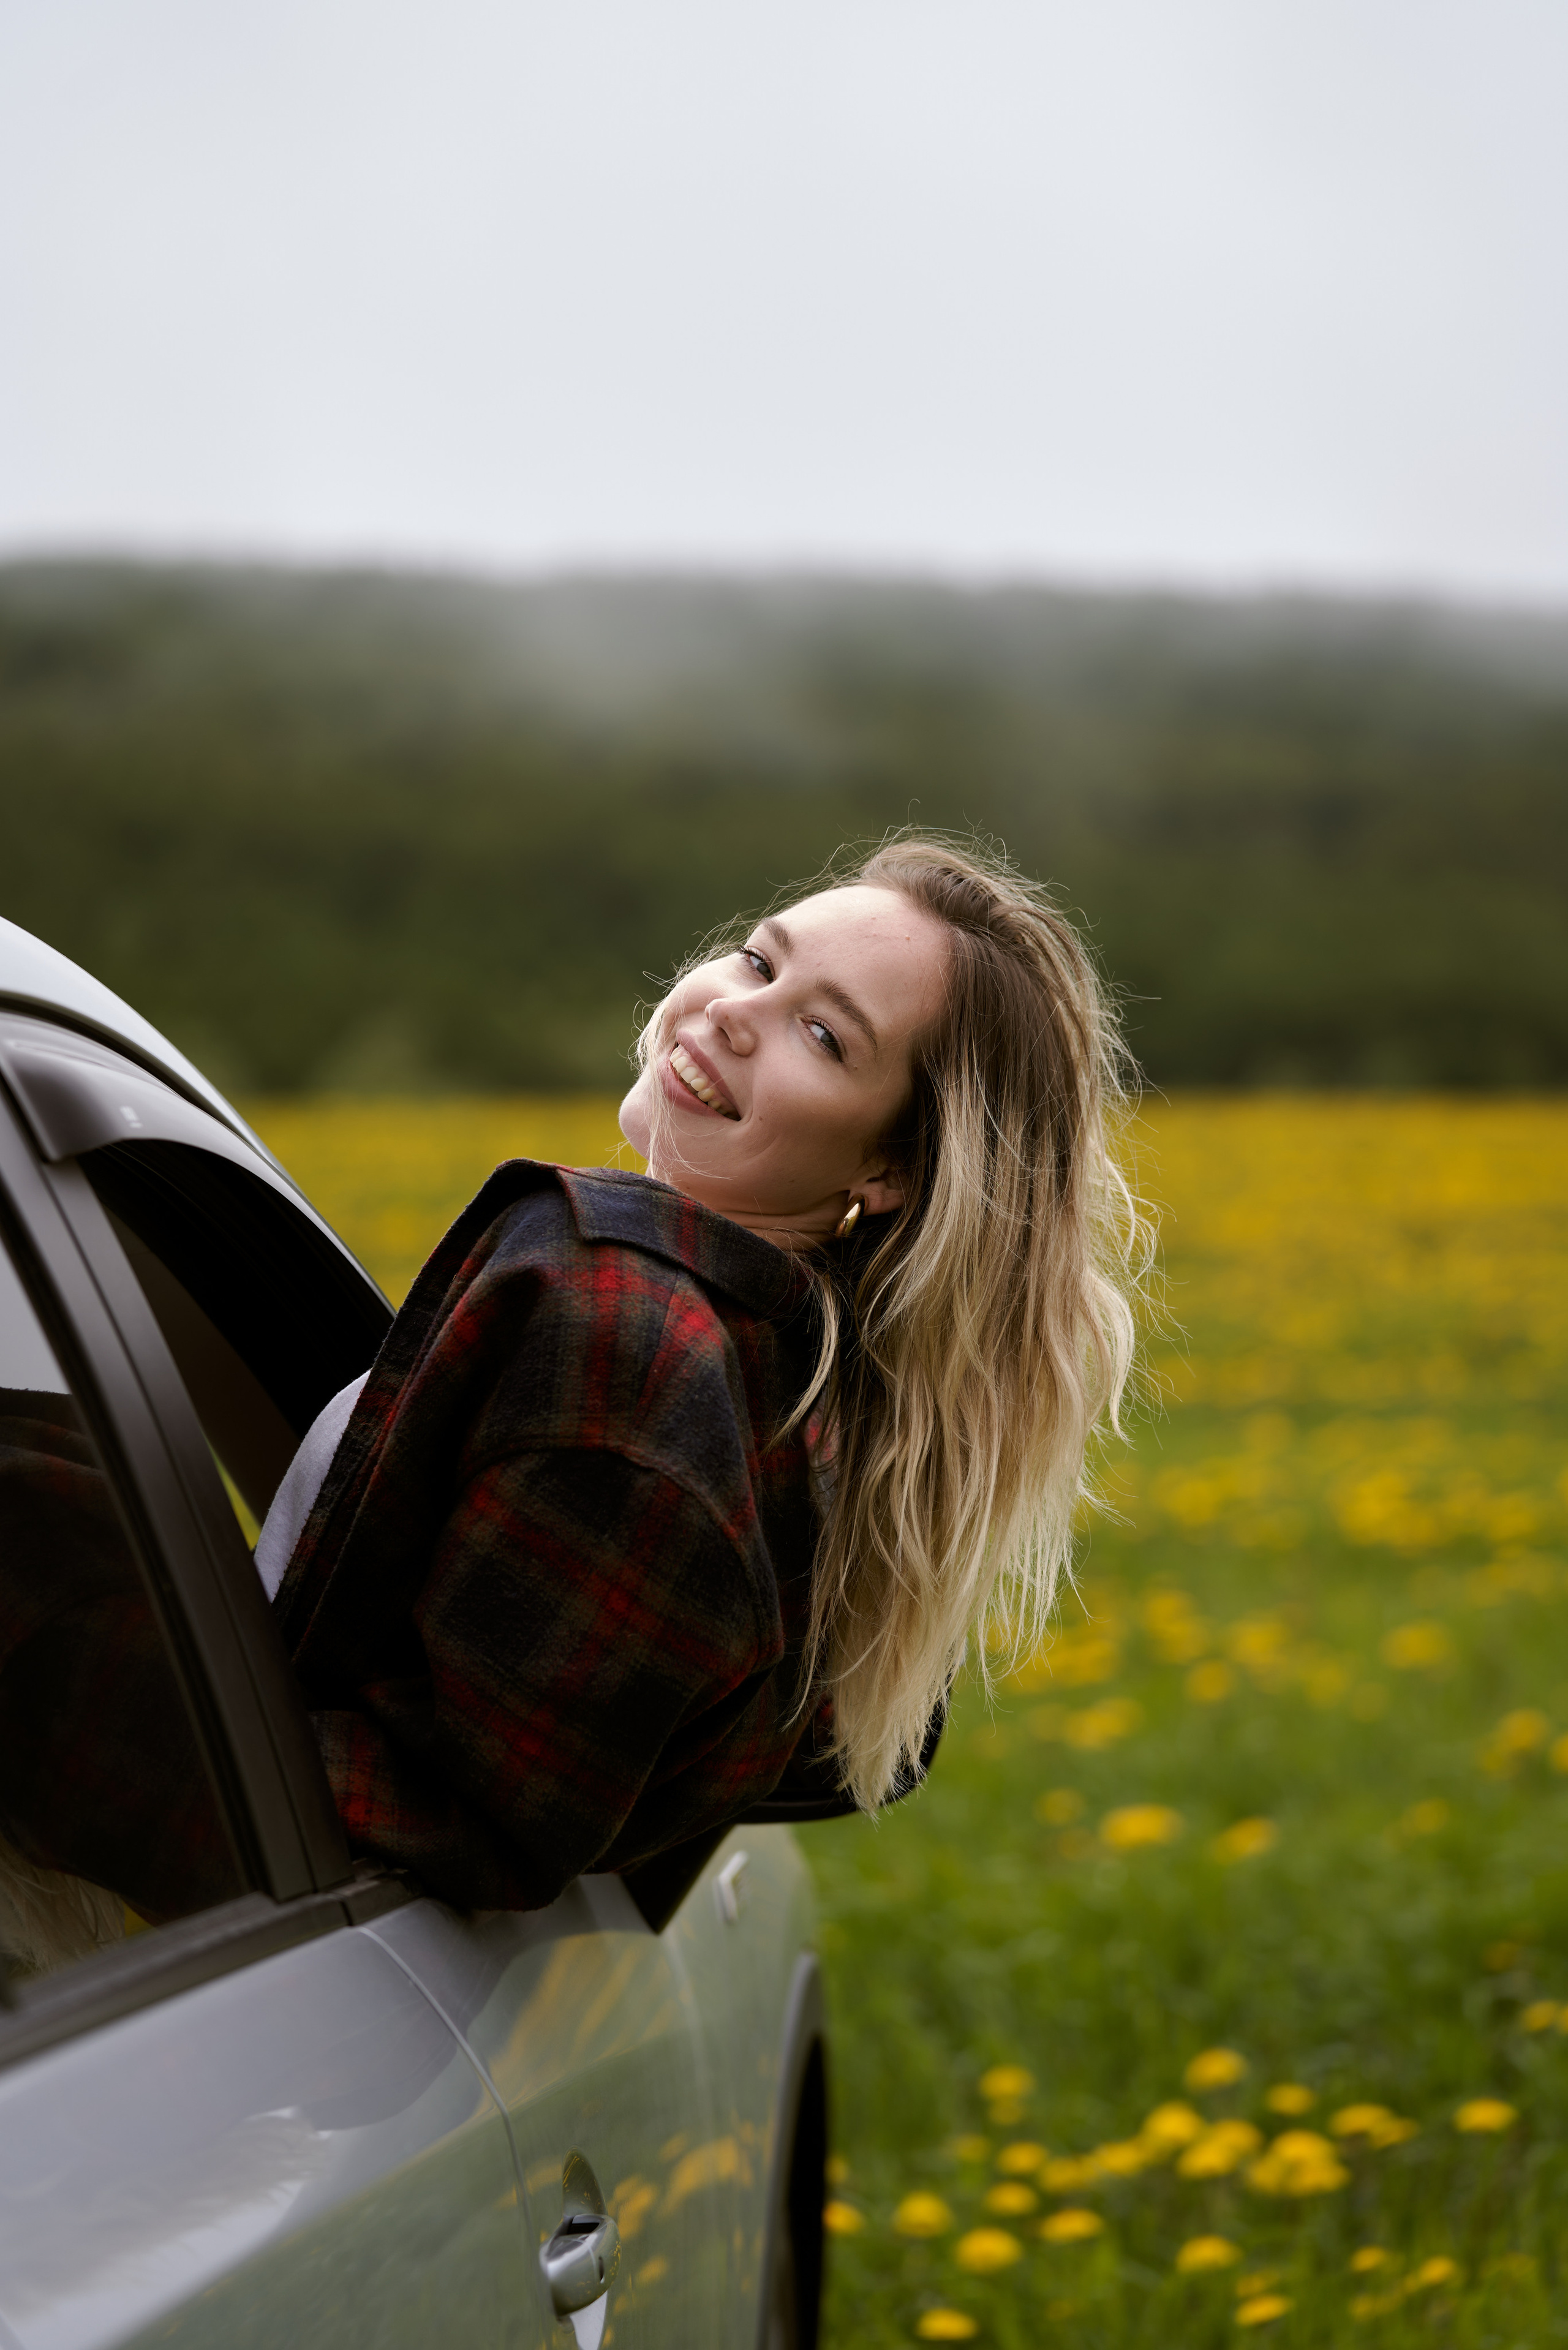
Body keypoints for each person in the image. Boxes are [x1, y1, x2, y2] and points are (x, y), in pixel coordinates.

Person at [264, 835, 1146, 1910]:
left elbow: (463, 1814)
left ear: (890, 1167)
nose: (736, 1011)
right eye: (760, 963)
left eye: (823, 1035)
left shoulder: (630, 1341)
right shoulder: (780, 1382)